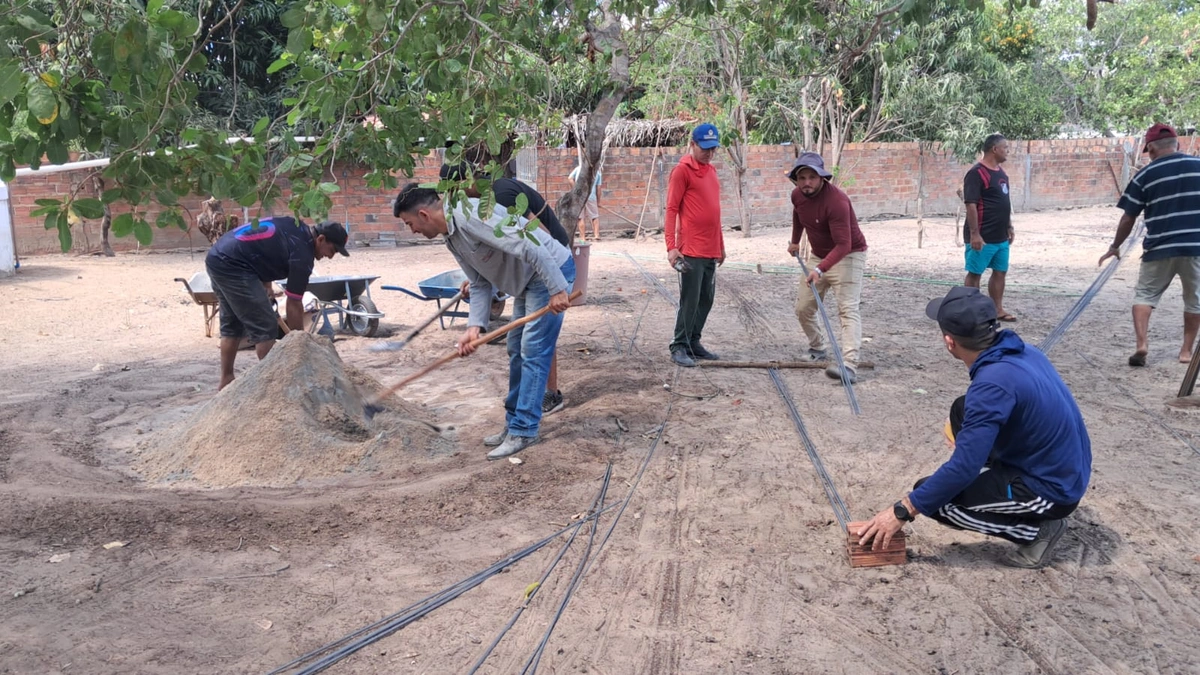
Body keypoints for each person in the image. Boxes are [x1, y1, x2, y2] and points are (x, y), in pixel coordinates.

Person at [855, 286, 1092, 569]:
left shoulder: (991, 384)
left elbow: (963, 469)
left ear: (949, 341)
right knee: (962, 408)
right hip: (1063, 466)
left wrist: (901, 511)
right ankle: (996, 480)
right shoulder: (1022, 351)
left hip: (1054, 490)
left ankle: (1037, 532)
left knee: (934, 498)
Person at [392, 184, 574, 460]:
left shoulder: (471, 216)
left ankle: (524, 430)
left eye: (410, 223)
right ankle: (514, 423)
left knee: (533, 350)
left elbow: (530, 244)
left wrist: (558, 289)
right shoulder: (451, 236)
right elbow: (478, 283)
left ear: (423, 214)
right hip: (527, 281)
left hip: (549, 271)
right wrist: (473, 328)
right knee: (516, 347)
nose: (412, 230)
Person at [440, 162, 572, 413]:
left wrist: (555, 284)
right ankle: (521, 408)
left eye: (454, 193)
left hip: (551, 257)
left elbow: (536, 237)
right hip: (529, 269)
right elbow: (499, 251)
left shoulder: (500, 196)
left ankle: (551, 394)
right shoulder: (474, 209)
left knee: (536, 341)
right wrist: (483, 278)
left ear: (467, 183)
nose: (452, 201)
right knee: (520, 343)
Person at [205, 217, 349, 390]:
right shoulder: (303, 254)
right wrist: (298, 343)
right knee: (265, 327)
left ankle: (226, 380)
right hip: (234, 265)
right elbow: (294, 303)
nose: (330, 257)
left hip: (218, 257)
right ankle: (276, 389)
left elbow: (264, 249)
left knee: (232, 324)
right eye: (332, 250)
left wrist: (267, 286)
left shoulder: (296, 227)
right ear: (321, 239)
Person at [1099, 123, 1200, 366]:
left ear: (1151, 148)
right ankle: (1186, 351)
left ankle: (1142, 344)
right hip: (1195, 247)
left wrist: (1115, 245)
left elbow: (1128, 216)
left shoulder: (1145, 175)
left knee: (1144, 295)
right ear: (1178, 144)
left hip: (1158, 247)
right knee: (1195, 299)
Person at [786, 152, 869, 383]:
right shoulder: (797, 196)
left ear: (822, 177)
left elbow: (845, 244)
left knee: (847, 309)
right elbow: (798, 215)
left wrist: (820, 269)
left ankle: (850, 365)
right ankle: (817, 348)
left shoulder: (837, 202)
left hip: (850, 255)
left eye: (812, 177)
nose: (807, 182)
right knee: (803, 307)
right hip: (819, 255)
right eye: (802, 177)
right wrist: (795, 240)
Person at [665, 123, 725, 367]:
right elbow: (671, 210)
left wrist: (721, 245)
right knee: (690, 300)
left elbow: (715, 212)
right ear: (692, 144)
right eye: (704, 148)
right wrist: (671, 247)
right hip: (690, 249)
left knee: (706, 298)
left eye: (713, 149)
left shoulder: (711, 171)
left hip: (711, 248)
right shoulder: (682, 171)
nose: (709, 153)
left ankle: (693, 341)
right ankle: (679, 345)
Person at [962, 133, 1017, 322]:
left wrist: (1009, 226)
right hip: (982, 235)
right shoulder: (976, 173)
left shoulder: (1001, 173)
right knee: (975, 273)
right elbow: (971, 204)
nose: (1008, 151)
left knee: (1000, 271)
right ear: (995, 149)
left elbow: (1005, 201)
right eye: (1005, 148)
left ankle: (997, 309)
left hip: (1000, 235)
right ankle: (970, 311)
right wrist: (975, 234)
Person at [568, 163, 602, 241]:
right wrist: (598, 202)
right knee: (594, 216)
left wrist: (576, 190)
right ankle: (596, 235)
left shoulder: (578, 169)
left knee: (580, 218)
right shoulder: (597, 172)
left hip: (579, 197)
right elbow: (599, 188)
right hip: (591, 197)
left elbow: (569, 178)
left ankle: (582, 238)